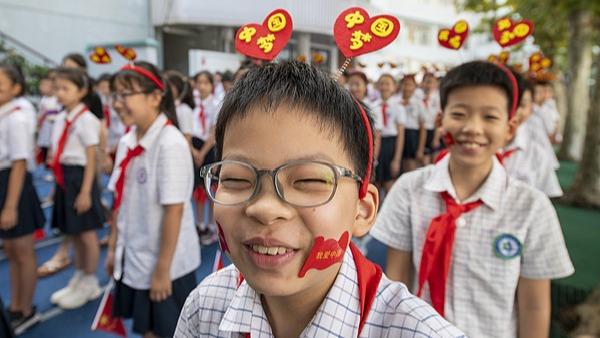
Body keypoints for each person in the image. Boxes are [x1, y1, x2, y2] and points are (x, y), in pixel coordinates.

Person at [175, 61, 464, 338]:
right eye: (236, 179)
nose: (264, 208)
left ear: (362, 211)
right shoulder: (204, 307)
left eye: (308, 181)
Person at [370, 61, 574, 337]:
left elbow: (534, 306)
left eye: (490, 117)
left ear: (510, 129)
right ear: (441, 122)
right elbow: (398, 281)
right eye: (460, 114)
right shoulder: (410, 189)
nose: (473, 128)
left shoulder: (532, 208)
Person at [106, 61, 200, 338]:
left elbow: (174, 211)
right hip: (135, 254)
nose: (118, 103)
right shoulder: (127, 141)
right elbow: (119, 202)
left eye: (126, 94)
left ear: (155, 97)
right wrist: (114, 249)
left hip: (166, 263)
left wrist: (162, 270)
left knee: (169, 331)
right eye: (115, 95)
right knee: (146, 328)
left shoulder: (170, 143)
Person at [48, 67, 105, 310]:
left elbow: (92, 157)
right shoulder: (62, 117)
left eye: (65, 88)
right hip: (66, 177)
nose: (59, 93)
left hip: (81, 177)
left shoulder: (86, 119)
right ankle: (80, 275)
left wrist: (85, 191)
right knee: (74, 231)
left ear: (81, 91)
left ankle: (90, 280)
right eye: (57, 88)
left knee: (86, 232)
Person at [0, 61, 45, 334]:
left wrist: (10, 206)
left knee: (23, 251)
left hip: (13, 186)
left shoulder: (16, 116)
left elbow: (18, 162)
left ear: (16, 88)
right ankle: (16, 304)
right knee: (11, 249)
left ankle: (26, 308)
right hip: (3, 183)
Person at [502, 70, 563, 198]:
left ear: (531, 106)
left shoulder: (537, 154)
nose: (515, 111)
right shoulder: (475, 145)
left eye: (522, 105)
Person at [191, 71, 220, 245]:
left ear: (211, 86)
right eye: (199, 82)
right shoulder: (193, 106)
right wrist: (194, 151)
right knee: (198, 190)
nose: (202, 86)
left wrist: (201, 153)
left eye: (206, 83)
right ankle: (200, 223)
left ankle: (211, 225)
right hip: (195, 148)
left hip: (208, 149)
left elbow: (214, 133)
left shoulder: (216, 105)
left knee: (210, 189)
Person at [372, 74, 405, 196]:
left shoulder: (398, 107)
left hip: (392, 145)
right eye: (381, 83)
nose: (384, 87)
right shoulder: (373, 106)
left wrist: (396, 159)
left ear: (394, 87)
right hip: (377, 145)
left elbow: (401, 135)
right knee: (376, 184)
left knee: (390, 186)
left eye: (387, 84)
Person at [399, 74, 427, 172]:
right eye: (404, 84)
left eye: (410, 85)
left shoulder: (418, 103)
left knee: (411, 166)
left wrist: (420, 149)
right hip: (398, 136)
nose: (407, 87)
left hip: (412, 136)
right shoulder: (396, 101)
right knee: (400, 166)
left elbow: (423, 128)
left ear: (415, 87)